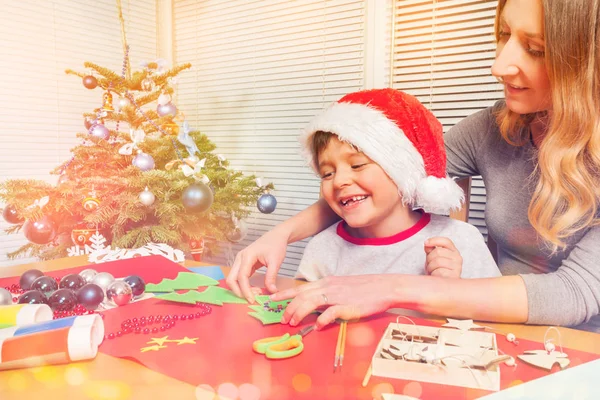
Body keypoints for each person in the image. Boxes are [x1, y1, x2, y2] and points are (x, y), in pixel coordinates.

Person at [226, 0, 600, 332]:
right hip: (504, 330)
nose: (498, 65)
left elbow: (575, 292)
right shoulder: (497, 125)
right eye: (503, 35)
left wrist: (391, 286)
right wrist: (280, 235)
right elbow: (391, 175)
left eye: (535, 49)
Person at [295, 88, 500, 282]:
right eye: (327, 173)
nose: (339, 181)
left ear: (401, 169)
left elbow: (495, 314)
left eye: (357, 165)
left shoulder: (460, 240)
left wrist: (453, 289)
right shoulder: (322, 249)